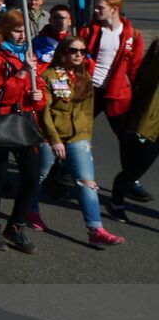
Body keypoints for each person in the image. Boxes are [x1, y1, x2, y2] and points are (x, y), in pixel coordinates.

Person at [34, 38, 125, 244]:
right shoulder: (48, 76)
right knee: (38, 177)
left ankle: (95, 229)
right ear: (62, 52)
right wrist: (54, 139)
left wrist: (86, 137)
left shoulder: (84, 78)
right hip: (51, 136)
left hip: (78, 137)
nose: (78, 54)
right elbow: (44, 112)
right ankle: (31, 212)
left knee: (87, 183)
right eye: (73, 50)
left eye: (82, 51)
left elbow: (88, 111)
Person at [0, 10, 46, 252]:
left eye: (25, 31)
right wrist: (22, 73)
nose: (22, 36)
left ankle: (16, 225)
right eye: (17, 31)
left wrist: (38, 96)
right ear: (5, 31)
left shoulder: (29, 56)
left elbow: (38, 95)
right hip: (2, 121)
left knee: (31, 175)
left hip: (25, 121)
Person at [79, 0, 149, 211]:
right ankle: (60, 173)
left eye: (100, 7)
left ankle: (130, 180)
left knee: (127, 139)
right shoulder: (89, 30)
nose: (96, 11)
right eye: (95, 7)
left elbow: (136, 68)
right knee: (75, 132)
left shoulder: (132, 35)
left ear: (114, 9)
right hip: (90, 90)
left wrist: (138, 95)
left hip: (117, 92)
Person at [111, 39, 159, 221]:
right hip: (150, 126)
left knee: (134, 169)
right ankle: (115, 203)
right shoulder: (153, 71)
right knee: (134, 170)